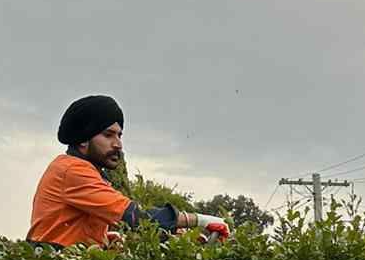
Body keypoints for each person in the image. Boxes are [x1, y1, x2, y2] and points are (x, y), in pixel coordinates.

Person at [28, 95, 229, 248]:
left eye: (119, 135)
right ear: (83, 139)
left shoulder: (89, 173)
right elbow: (137, 218)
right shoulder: (73, 170)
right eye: (108, 135)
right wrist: (203, 220)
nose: (118, 144)